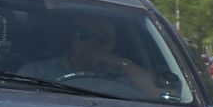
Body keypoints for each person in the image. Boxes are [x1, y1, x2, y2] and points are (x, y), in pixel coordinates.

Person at [22, 15, 156, 93]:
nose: (93, 44)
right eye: (84, 35)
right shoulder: (38, 73)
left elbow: (166, 97)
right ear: (70, 37)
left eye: (103, 38)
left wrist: (123, 64)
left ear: (114, 44)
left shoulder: (127, 78)